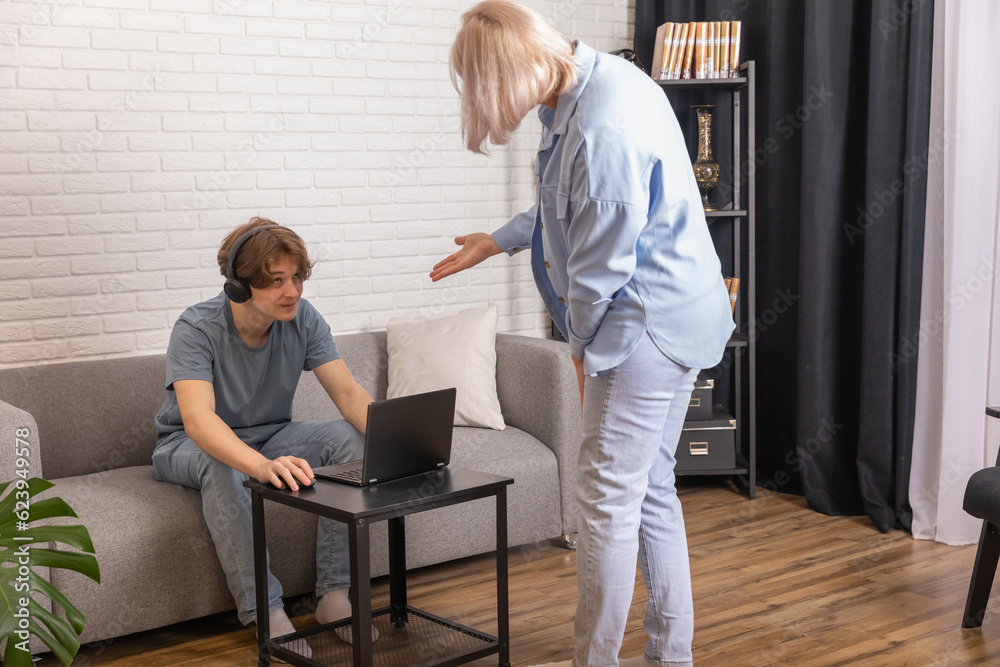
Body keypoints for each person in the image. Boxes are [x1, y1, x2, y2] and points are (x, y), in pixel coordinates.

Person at [433, 3, 736, 666]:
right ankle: (669, 655)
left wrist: (583, 354)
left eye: (487, 92)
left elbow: (599, 272)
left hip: (642, 327)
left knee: (604, 505)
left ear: (512, 72)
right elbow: (565, 201)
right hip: (677, 312)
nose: (492, 111)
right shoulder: (592, 86)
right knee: (649, 487)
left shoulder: (602, 127)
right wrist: (501, 239)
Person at [152, 217, 377, 652]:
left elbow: (349, 395)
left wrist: (407, 445)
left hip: (272, 434)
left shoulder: (303, 318)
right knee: (223, 461)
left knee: (348, 438)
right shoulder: (196, 328)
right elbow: (199, 421)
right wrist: (259, 465)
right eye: (276, 281)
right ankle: (267, 612)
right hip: (186, 444)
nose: (291, 290)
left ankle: (335, 595)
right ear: (240, 285)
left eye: (296, 277)